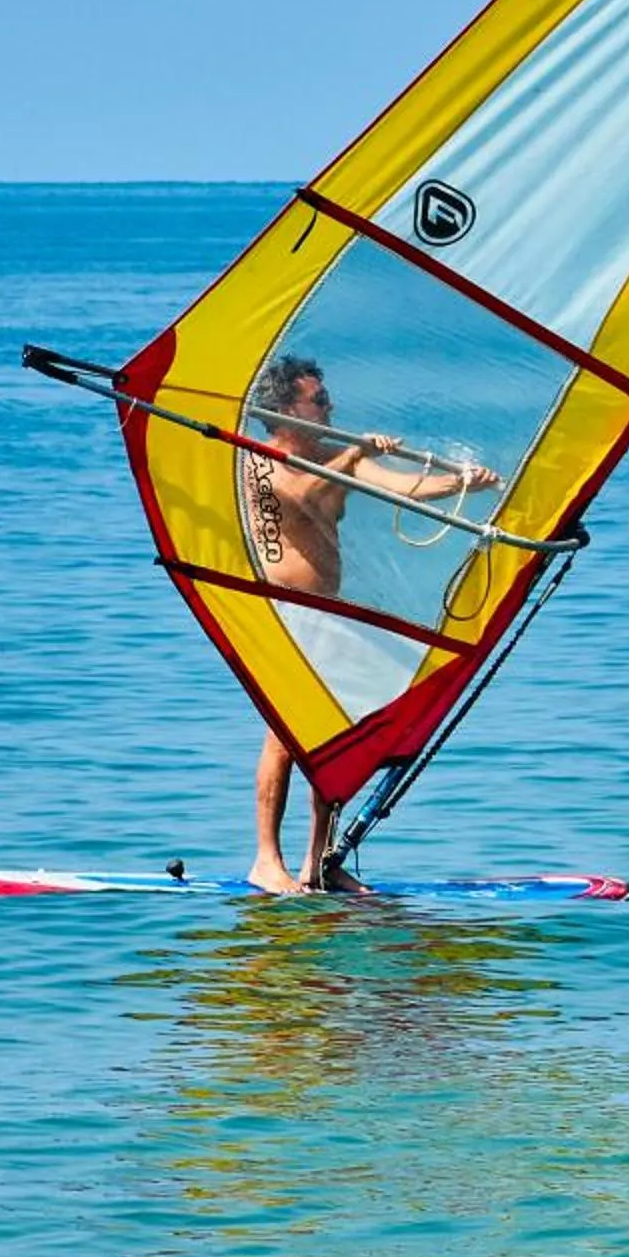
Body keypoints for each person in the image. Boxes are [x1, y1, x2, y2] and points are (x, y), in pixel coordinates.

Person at [242, 353, 500, 892]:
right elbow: (304, 496)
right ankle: (267, 860)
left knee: (334, 738)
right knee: (283, 738)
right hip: (282, 615)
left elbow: (401, 487)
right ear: (287, 411)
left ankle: (320, 863)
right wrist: (358, 450)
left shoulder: (342, 458)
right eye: (318, 399)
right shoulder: (258, 463)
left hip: (329, 615)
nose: (330, 405)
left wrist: (461, 485)